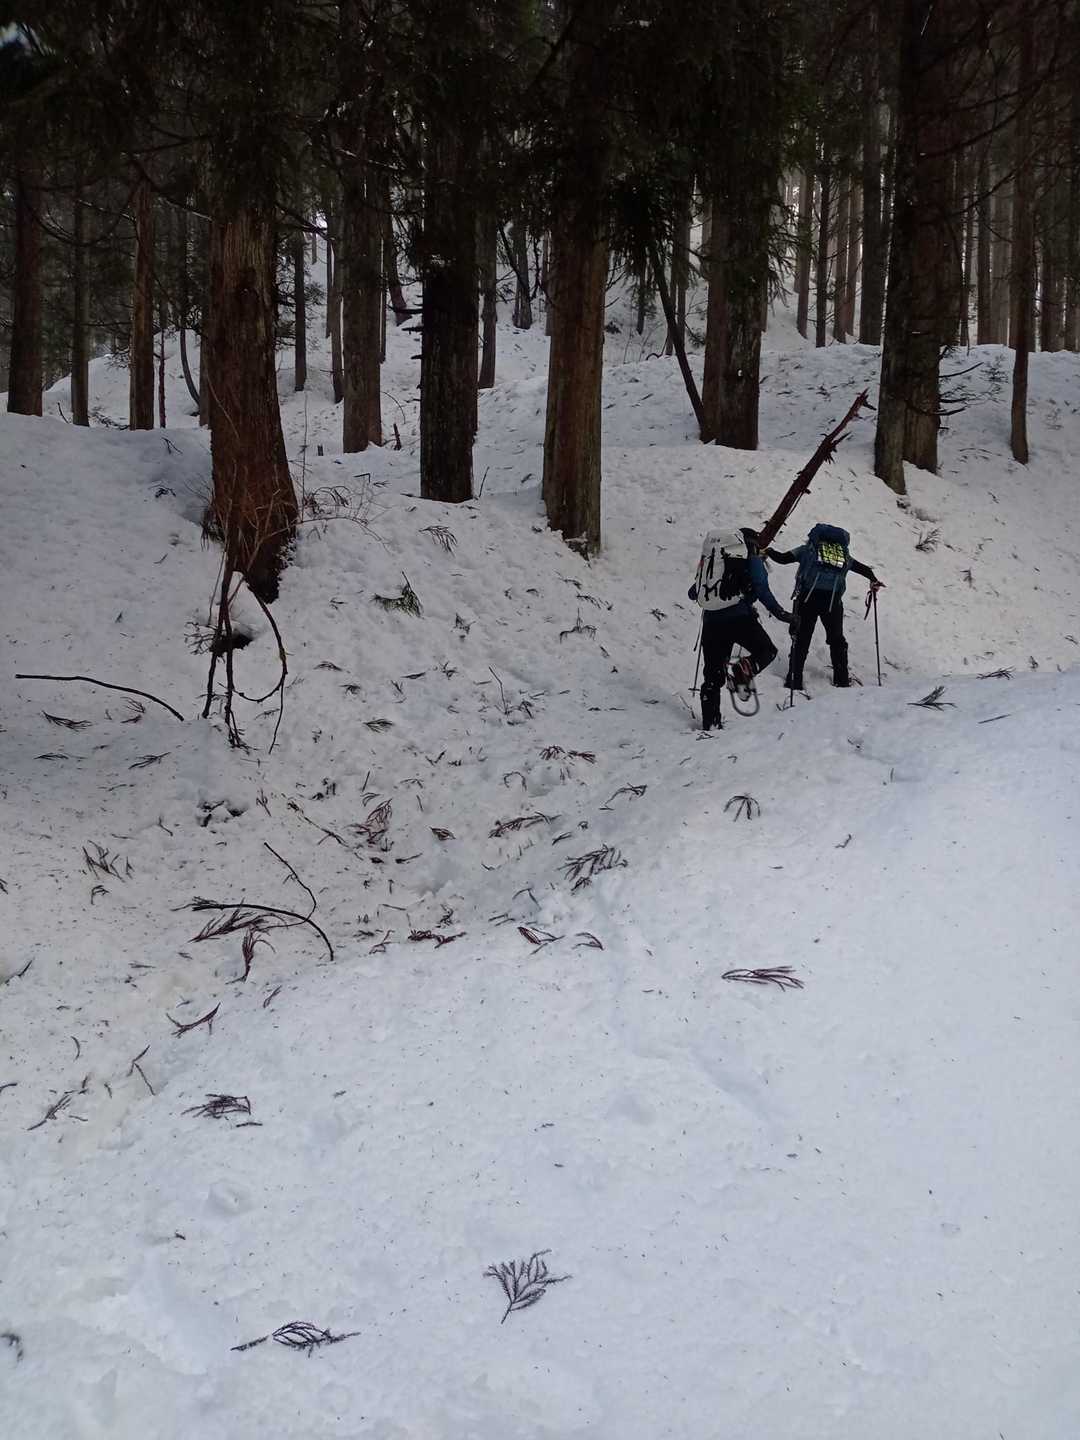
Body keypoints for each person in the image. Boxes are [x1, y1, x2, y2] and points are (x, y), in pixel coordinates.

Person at [688, 527, 793, 730]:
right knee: (766, 651)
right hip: (739, 618)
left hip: (711, 622)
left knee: (712, 677)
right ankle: (743, 669)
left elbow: (693, 593)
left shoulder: (714, 559)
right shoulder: (749, 558)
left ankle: (710, 725)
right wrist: (782, 614)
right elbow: (761, 588)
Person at [767, 523, 882, 690]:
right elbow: (863, 569)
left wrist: (768, 551)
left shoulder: (807, 551)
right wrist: (873, 580)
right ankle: (841, 680)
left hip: (807, 600)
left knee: (801, 638)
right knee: (837, 640)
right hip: (832, 603)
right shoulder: (843, 556)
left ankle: (794, 680)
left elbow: (782, 559)